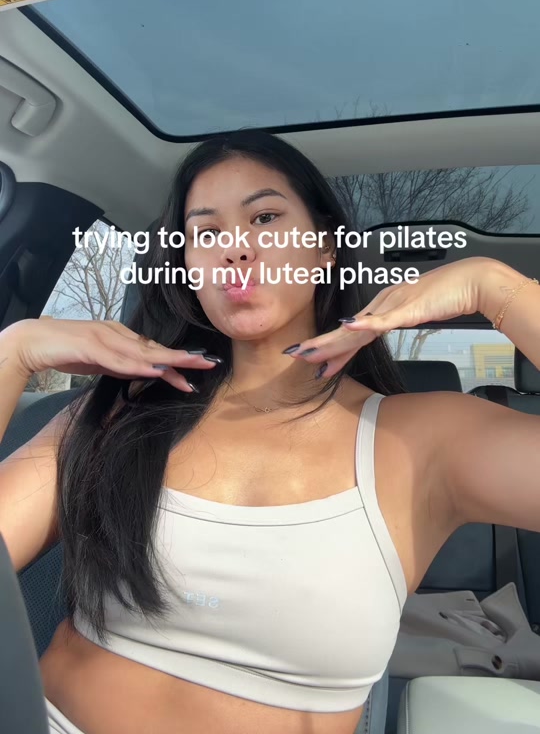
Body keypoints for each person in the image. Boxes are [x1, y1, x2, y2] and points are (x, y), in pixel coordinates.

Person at [1, 129, 539, 734]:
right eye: (206, 233)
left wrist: (495, 287)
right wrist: (15, 351)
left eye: (264, 218)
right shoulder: (117, 416)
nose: (234, 248)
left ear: (326, 246)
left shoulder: (427, 439)